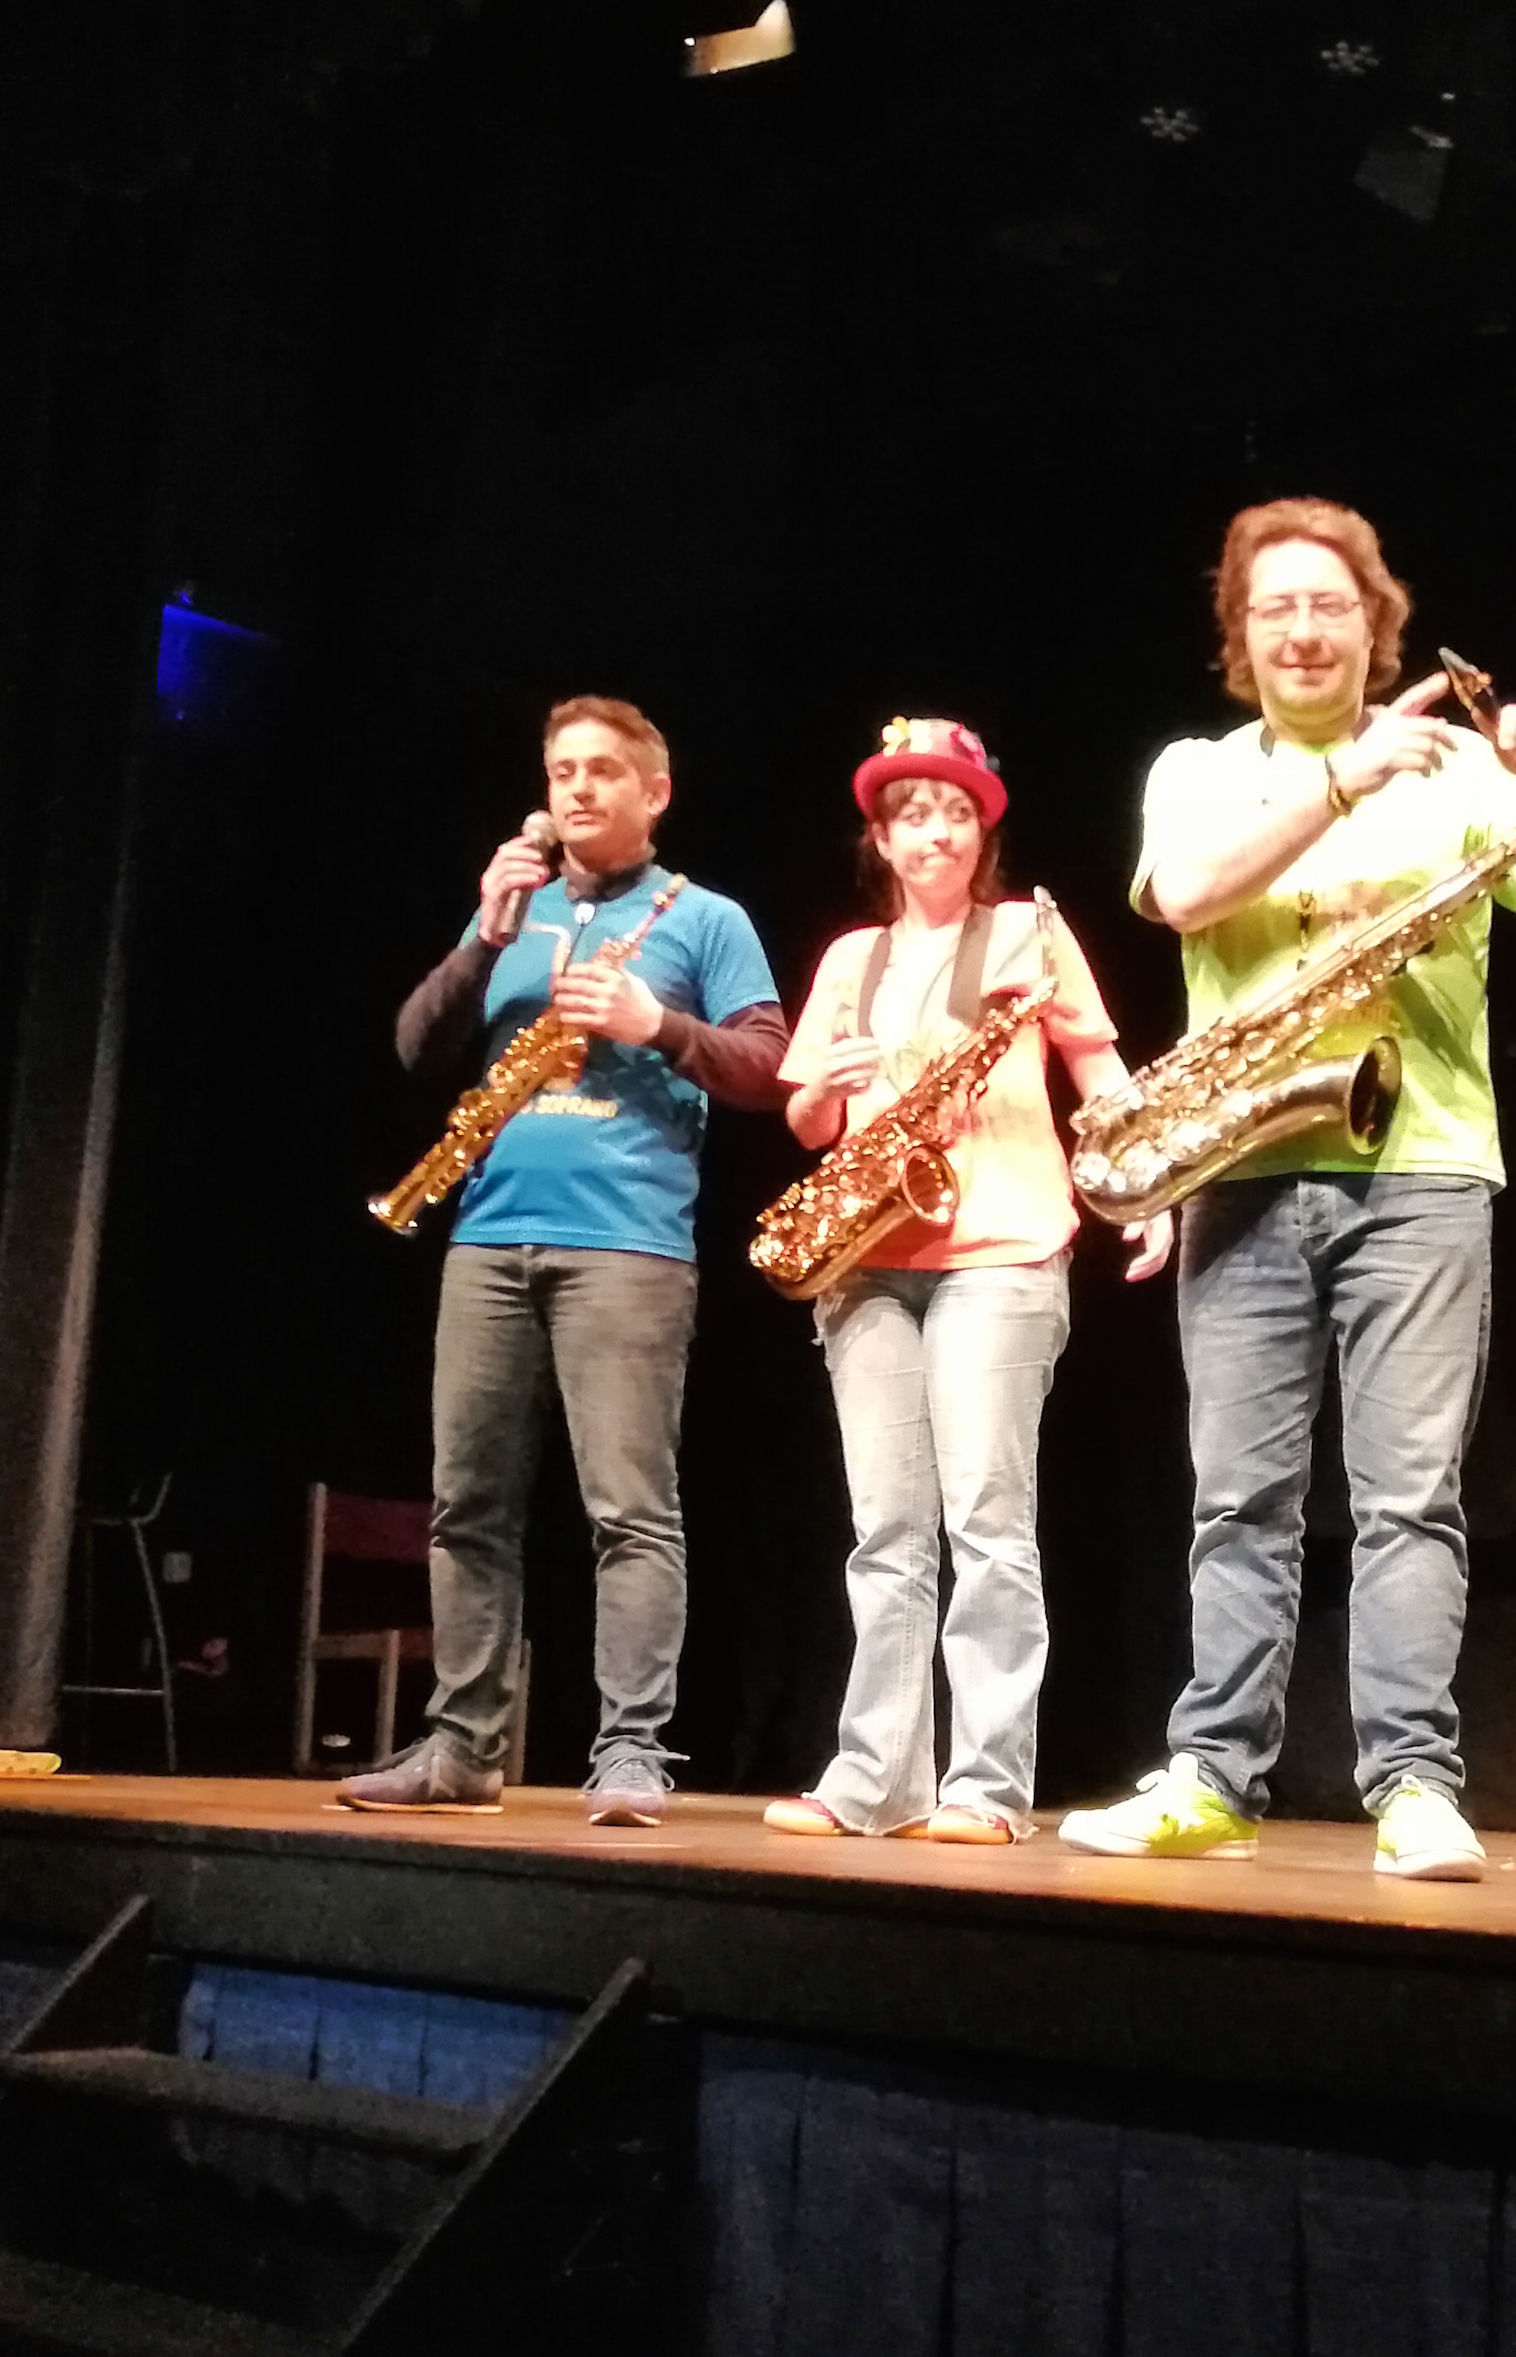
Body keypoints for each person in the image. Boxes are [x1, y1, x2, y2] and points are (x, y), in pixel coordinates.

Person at [1056, 500, 1516, 1880]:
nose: (1304, 631)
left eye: (1331, 606)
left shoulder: (1461, 768)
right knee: (1237, 1502)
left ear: (1378, 628)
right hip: (1244, 1165)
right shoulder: (1199, 770)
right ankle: (1212, 1776)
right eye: (1277, 609)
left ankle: (1414, 1784)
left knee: (1409, 1498)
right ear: (1241, 637)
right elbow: (1185, 893)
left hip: (1424, 1164)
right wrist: (1343, 784)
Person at [337, 696, 783, 1826]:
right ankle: (461, 1747)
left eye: (602, 771)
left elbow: (766, 1067)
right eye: (561, 771)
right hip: (487, 1238)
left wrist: (655, 1024)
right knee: (467, 1506)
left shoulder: (705, 918)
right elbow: (415, 1045)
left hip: (627, 1246)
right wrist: (485, 935)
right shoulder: (515, 909)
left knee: (628, 1510)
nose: (577, 789)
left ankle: (629, 1752)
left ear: (654, 793)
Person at [765, 721, 1174, 1844]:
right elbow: (807, 1120)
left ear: (982, 831)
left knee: (988, 1523)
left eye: (953, 813)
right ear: (881, 839)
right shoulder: (852, 958)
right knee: (884, 1532)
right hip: (867, 1261)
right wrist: (824, 1087)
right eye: (910, 816)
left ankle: (986, 1786)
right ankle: (874, 1779)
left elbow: (1096, 1064)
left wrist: (1148, 1183)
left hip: (1000, 1250)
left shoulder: (1030, 931)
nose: (932, 832)